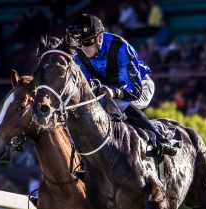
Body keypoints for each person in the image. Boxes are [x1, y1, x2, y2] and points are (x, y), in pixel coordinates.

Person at [66, 13, 177, 156]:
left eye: (87, 42)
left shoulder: (119, 48)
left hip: (139, 86)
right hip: (109, 92)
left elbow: (134, 90)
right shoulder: (79, 54)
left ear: (100, 38)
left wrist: (114, 92)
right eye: (79, 43)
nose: (83, 48)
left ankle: (159, 138)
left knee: (120, 106)